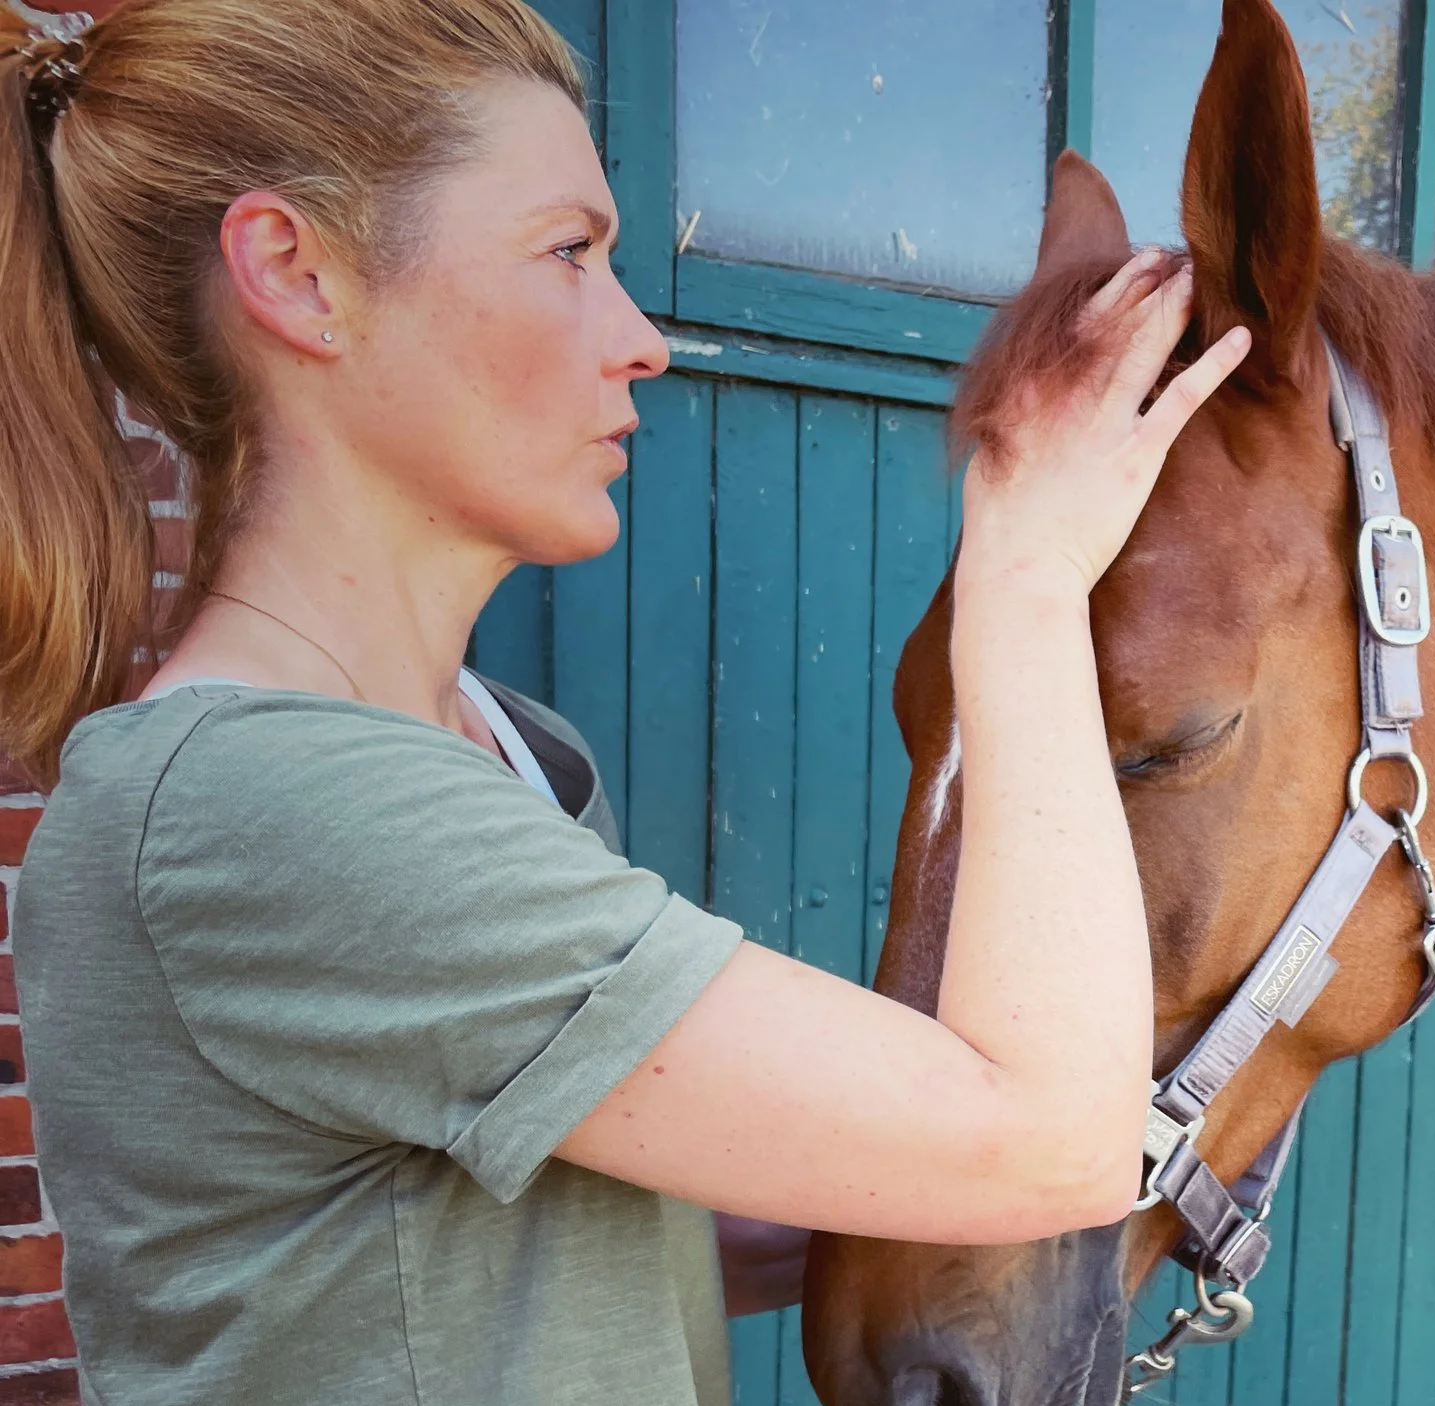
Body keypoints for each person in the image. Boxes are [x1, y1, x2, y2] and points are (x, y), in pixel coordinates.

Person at [0, 1, 1250, 1402]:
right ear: (296, 275)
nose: (642, 338)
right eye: (569, 252)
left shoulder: (508, 753)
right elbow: (1048, 1141)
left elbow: (532, 1239)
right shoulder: (262, 806)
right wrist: (1027, 568)